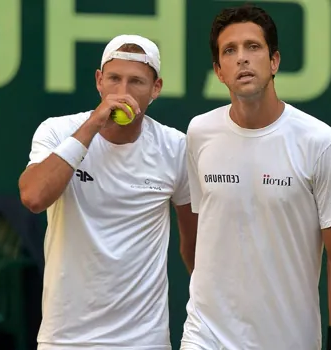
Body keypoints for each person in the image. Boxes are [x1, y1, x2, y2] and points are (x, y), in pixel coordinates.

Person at [180, 4, 331, 350]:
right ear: (218, 71)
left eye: (253, 47)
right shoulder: (199, 133)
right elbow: (201, 235)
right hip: (206, 335)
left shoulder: (321, 143)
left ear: (274, 61)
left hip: (289, 338)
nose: (242, 59)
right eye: (229, 51)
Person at [18, 34, 198, 350]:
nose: (123, 92)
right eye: (114, 79)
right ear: (99, 81)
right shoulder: (57, 132)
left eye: (137, 82)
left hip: (144, 341)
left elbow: (194, 243)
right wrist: (92, 126)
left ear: (155, 89)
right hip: (65, 339)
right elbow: (33, 197)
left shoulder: (176, 148)